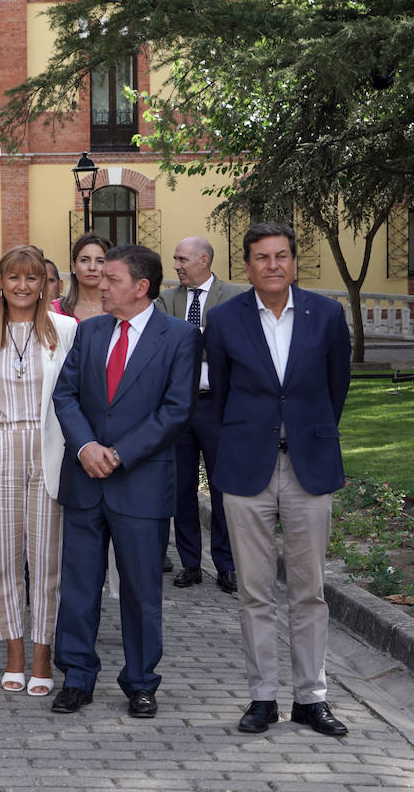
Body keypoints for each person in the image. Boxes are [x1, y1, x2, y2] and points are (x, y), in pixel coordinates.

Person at [204, 222, 352, 737]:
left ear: (293, 262)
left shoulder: (327, 314)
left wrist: (307, 436)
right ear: (246, 266)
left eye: (281, 256)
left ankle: (311, 698)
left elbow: (337, 390)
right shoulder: (222, 320)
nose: (273, 265)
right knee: (254, 590)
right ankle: (262, 696)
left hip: (308, 467)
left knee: (309, 591)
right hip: (247, 469)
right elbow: (218, 396)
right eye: (262, 257)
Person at [49, 244, 200, 717]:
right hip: (86, 480)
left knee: (140, 590)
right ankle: (77, 677)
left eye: (112, 279)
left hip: (141, 484)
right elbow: (65, 394)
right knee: (78, 584)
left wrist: (118, 453)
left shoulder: (178, 336)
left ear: (141, 287)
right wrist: (85, 447)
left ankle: (140, 681)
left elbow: (176, 411)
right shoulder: (90, 331)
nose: (100, 284)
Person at [0, 245, 77, 697]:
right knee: (4, 562)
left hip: (49, 449)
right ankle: (14, 652)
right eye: (14, 277)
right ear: (0, 283)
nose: (23, 286)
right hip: (0, 448)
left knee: (46, 562)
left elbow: (73, 392)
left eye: (33, 278)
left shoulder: (65, 329)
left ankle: (43, 655)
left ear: (46, 284)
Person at [158, 236, 246, 594]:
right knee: (181, 490)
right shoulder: (167, 299)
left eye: (182, 259)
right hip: (179, 406)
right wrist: (202, 340)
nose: (176, 265)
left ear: (204, 260)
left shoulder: (234, 297)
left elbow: (234, 345)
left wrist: (195, 342)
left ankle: (225, 565)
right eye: (175, 258)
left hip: (217, 406)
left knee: (222, 487)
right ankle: (190, 564)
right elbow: (166, 345)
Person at [51, 232, 111, 322]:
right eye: (84, 260)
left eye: (100, 261)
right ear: (73, 266)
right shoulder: (54, 311)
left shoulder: (120, 310)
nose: (92, 267)